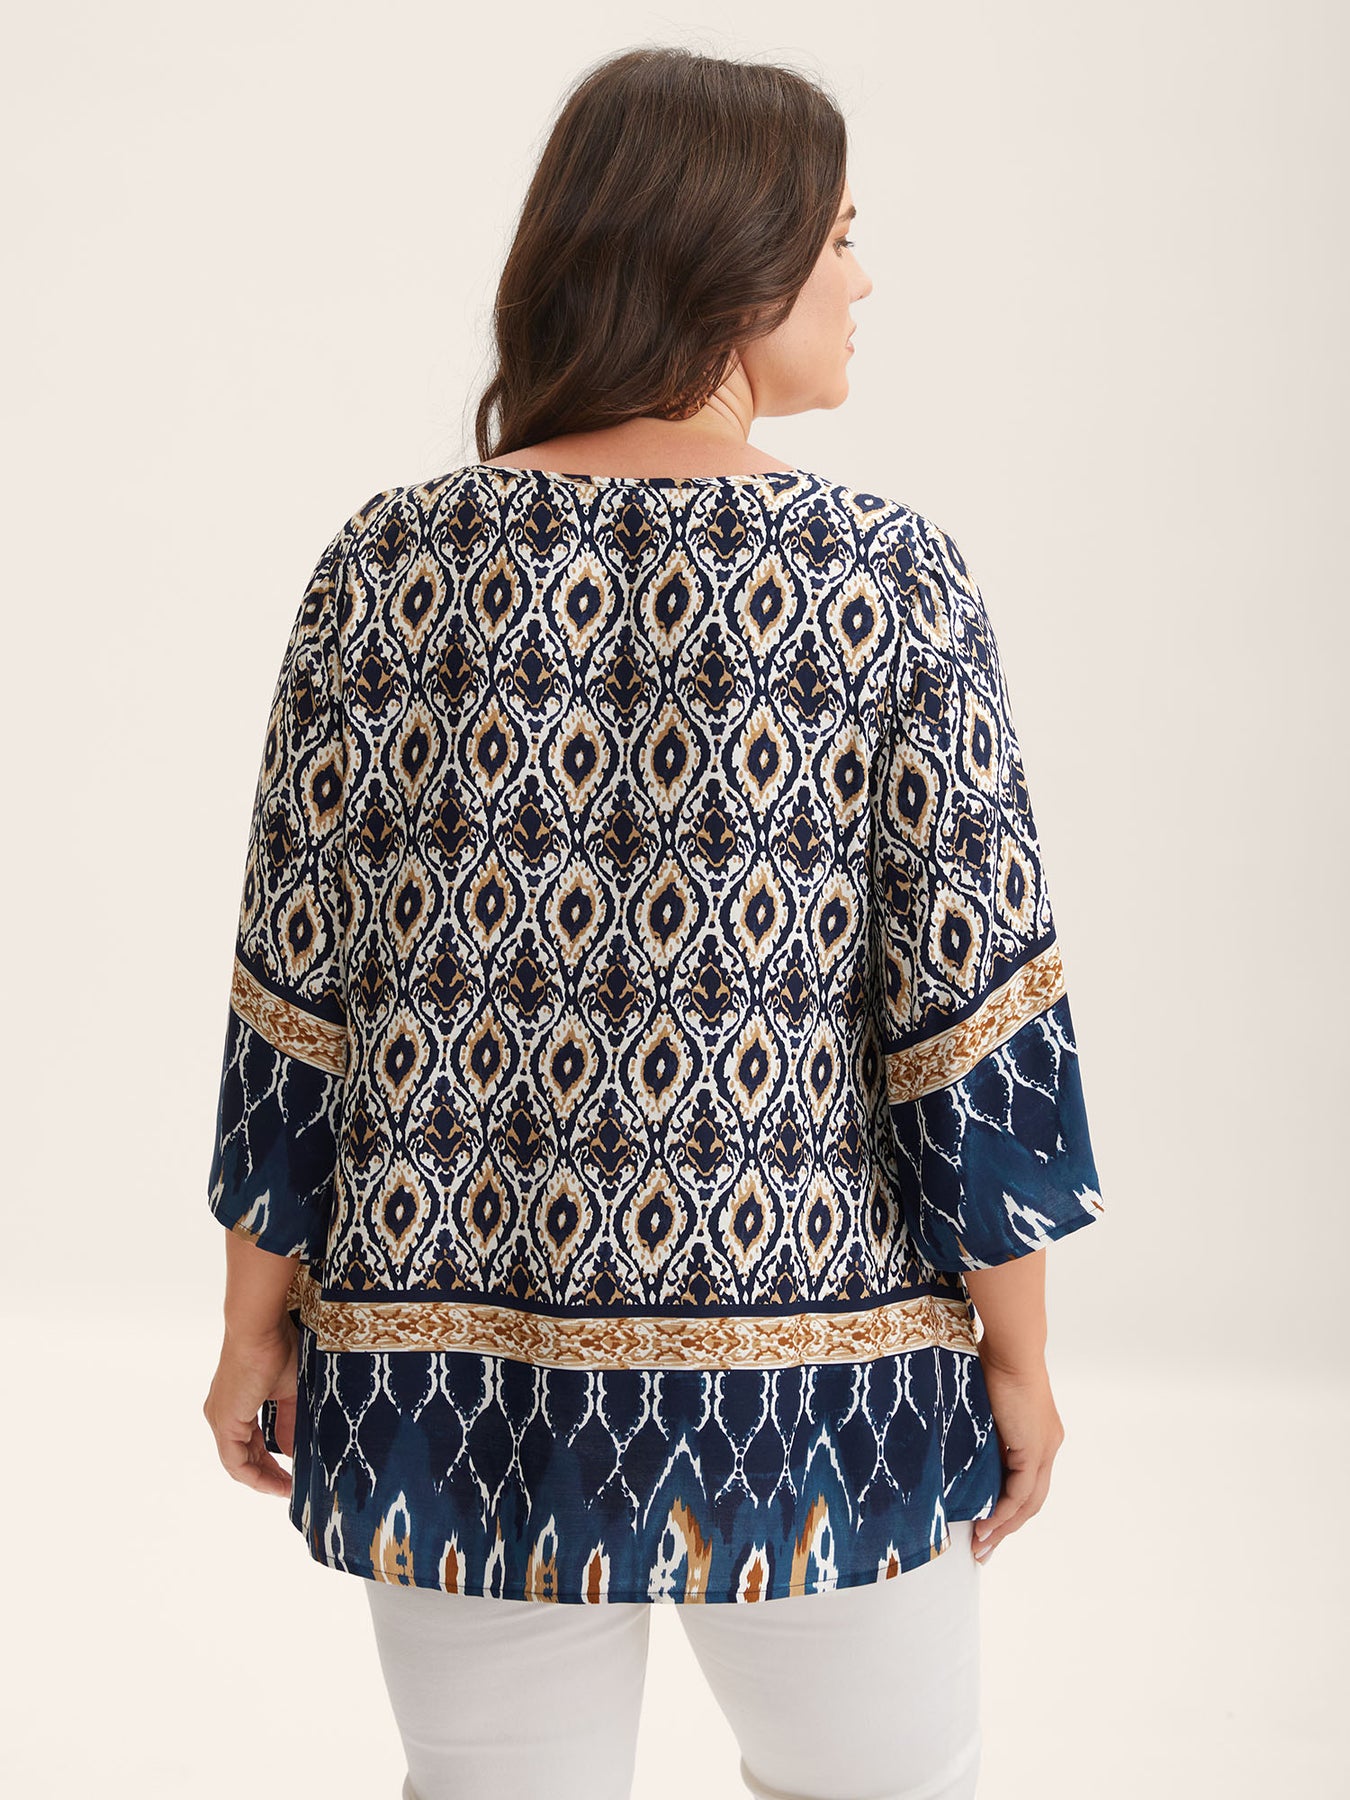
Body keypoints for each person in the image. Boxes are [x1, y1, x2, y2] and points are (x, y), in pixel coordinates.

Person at [201, 43, 1106, 1800]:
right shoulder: (883, 577)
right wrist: (1021, 1355)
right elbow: (971, 1016)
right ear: (733, 260)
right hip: (820, 1384)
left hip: (451, 1379)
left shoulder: (385, 565)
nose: (861, 281)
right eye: (838, 238)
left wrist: (252, 1319)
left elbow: (296, 993)